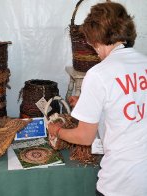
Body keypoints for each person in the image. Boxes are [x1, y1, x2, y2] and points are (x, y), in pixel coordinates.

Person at [48, 1, 147, 196]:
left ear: (95, 36)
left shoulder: (99, 73)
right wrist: (87, 105)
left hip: (121, 182)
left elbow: (84, 137)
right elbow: (132, 105)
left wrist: (56, 130)